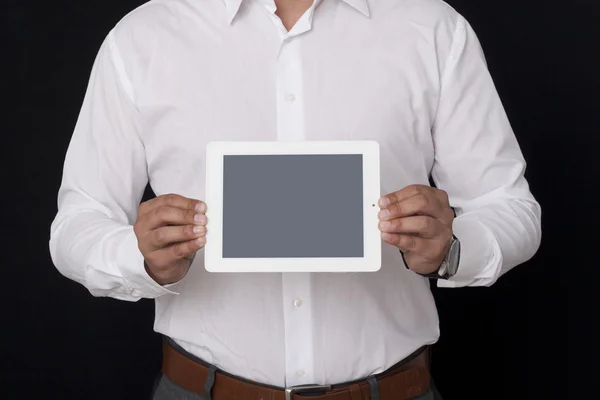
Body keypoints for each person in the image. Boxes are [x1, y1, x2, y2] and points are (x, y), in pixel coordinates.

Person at [49, 0, 542, 398]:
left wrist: (453, 247)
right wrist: (138, 256)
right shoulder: (142, 38)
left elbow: (510, 206)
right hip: (201, 389)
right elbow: (79, 222)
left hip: (394, 388)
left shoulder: (432, 27)